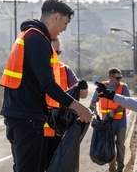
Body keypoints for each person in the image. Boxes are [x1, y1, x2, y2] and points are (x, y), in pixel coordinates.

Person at [0, 0, 92, 172]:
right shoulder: (37, 39)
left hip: (19, 114)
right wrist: (79, 108)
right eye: (66, 23)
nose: (64, 29)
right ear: (56, 17)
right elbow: (47, 84)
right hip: (28, 117)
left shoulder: (29, 35)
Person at [40, 37, 88, 172]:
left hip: (59, 129)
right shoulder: (36, 70)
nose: (55, 56)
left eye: (58, 52)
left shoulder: (65, 70)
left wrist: (82, 88)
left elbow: (82, 95)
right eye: (52, 52)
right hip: (38, 130)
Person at [89, 67, 130, 172]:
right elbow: (93, 103)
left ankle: (120, 168)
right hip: (107, 123)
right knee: (110, 146)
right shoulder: (102, 87)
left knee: (120, 145)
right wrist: (94, 112)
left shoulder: (123, 88)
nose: (119, 79)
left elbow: (127, 103)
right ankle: (112, 169)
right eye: (117, 77)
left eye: (120, 77)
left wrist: (115, 111)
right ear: (110, 77)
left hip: (120, 122)